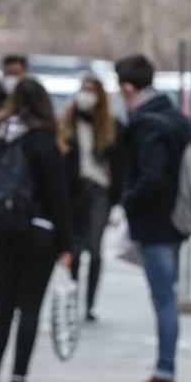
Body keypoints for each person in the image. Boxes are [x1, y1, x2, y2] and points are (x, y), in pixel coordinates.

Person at [0, 77, 73, 382]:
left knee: (2, 304)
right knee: (29, 307)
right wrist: (67, 245)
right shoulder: (43, 141)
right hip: (38, 233)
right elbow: (58, 198)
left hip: (1, 230)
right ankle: (19, 380)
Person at [116, 54, 191, 382]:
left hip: (156, 223)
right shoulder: (173, 115)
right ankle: (164, 368)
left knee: (163, 298)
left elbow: (152, 177)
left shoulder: (147, 122)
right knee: (167, 296)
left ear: (128, 87)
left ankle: (164, 372)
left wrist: (128, 200)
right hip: (176, 219)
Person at [60, 74, 123, 321]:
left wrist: (117, 202)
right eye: (83, 89)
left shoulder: (110, 126)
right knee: (74, 248)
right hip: (74, 191)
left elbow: (119, 166)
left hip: (99, 191)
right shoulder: (68, 124)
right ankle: (73, 297)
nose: (85, 95)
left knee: (94, 250)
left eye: (91, 91)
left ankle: (90, 305)